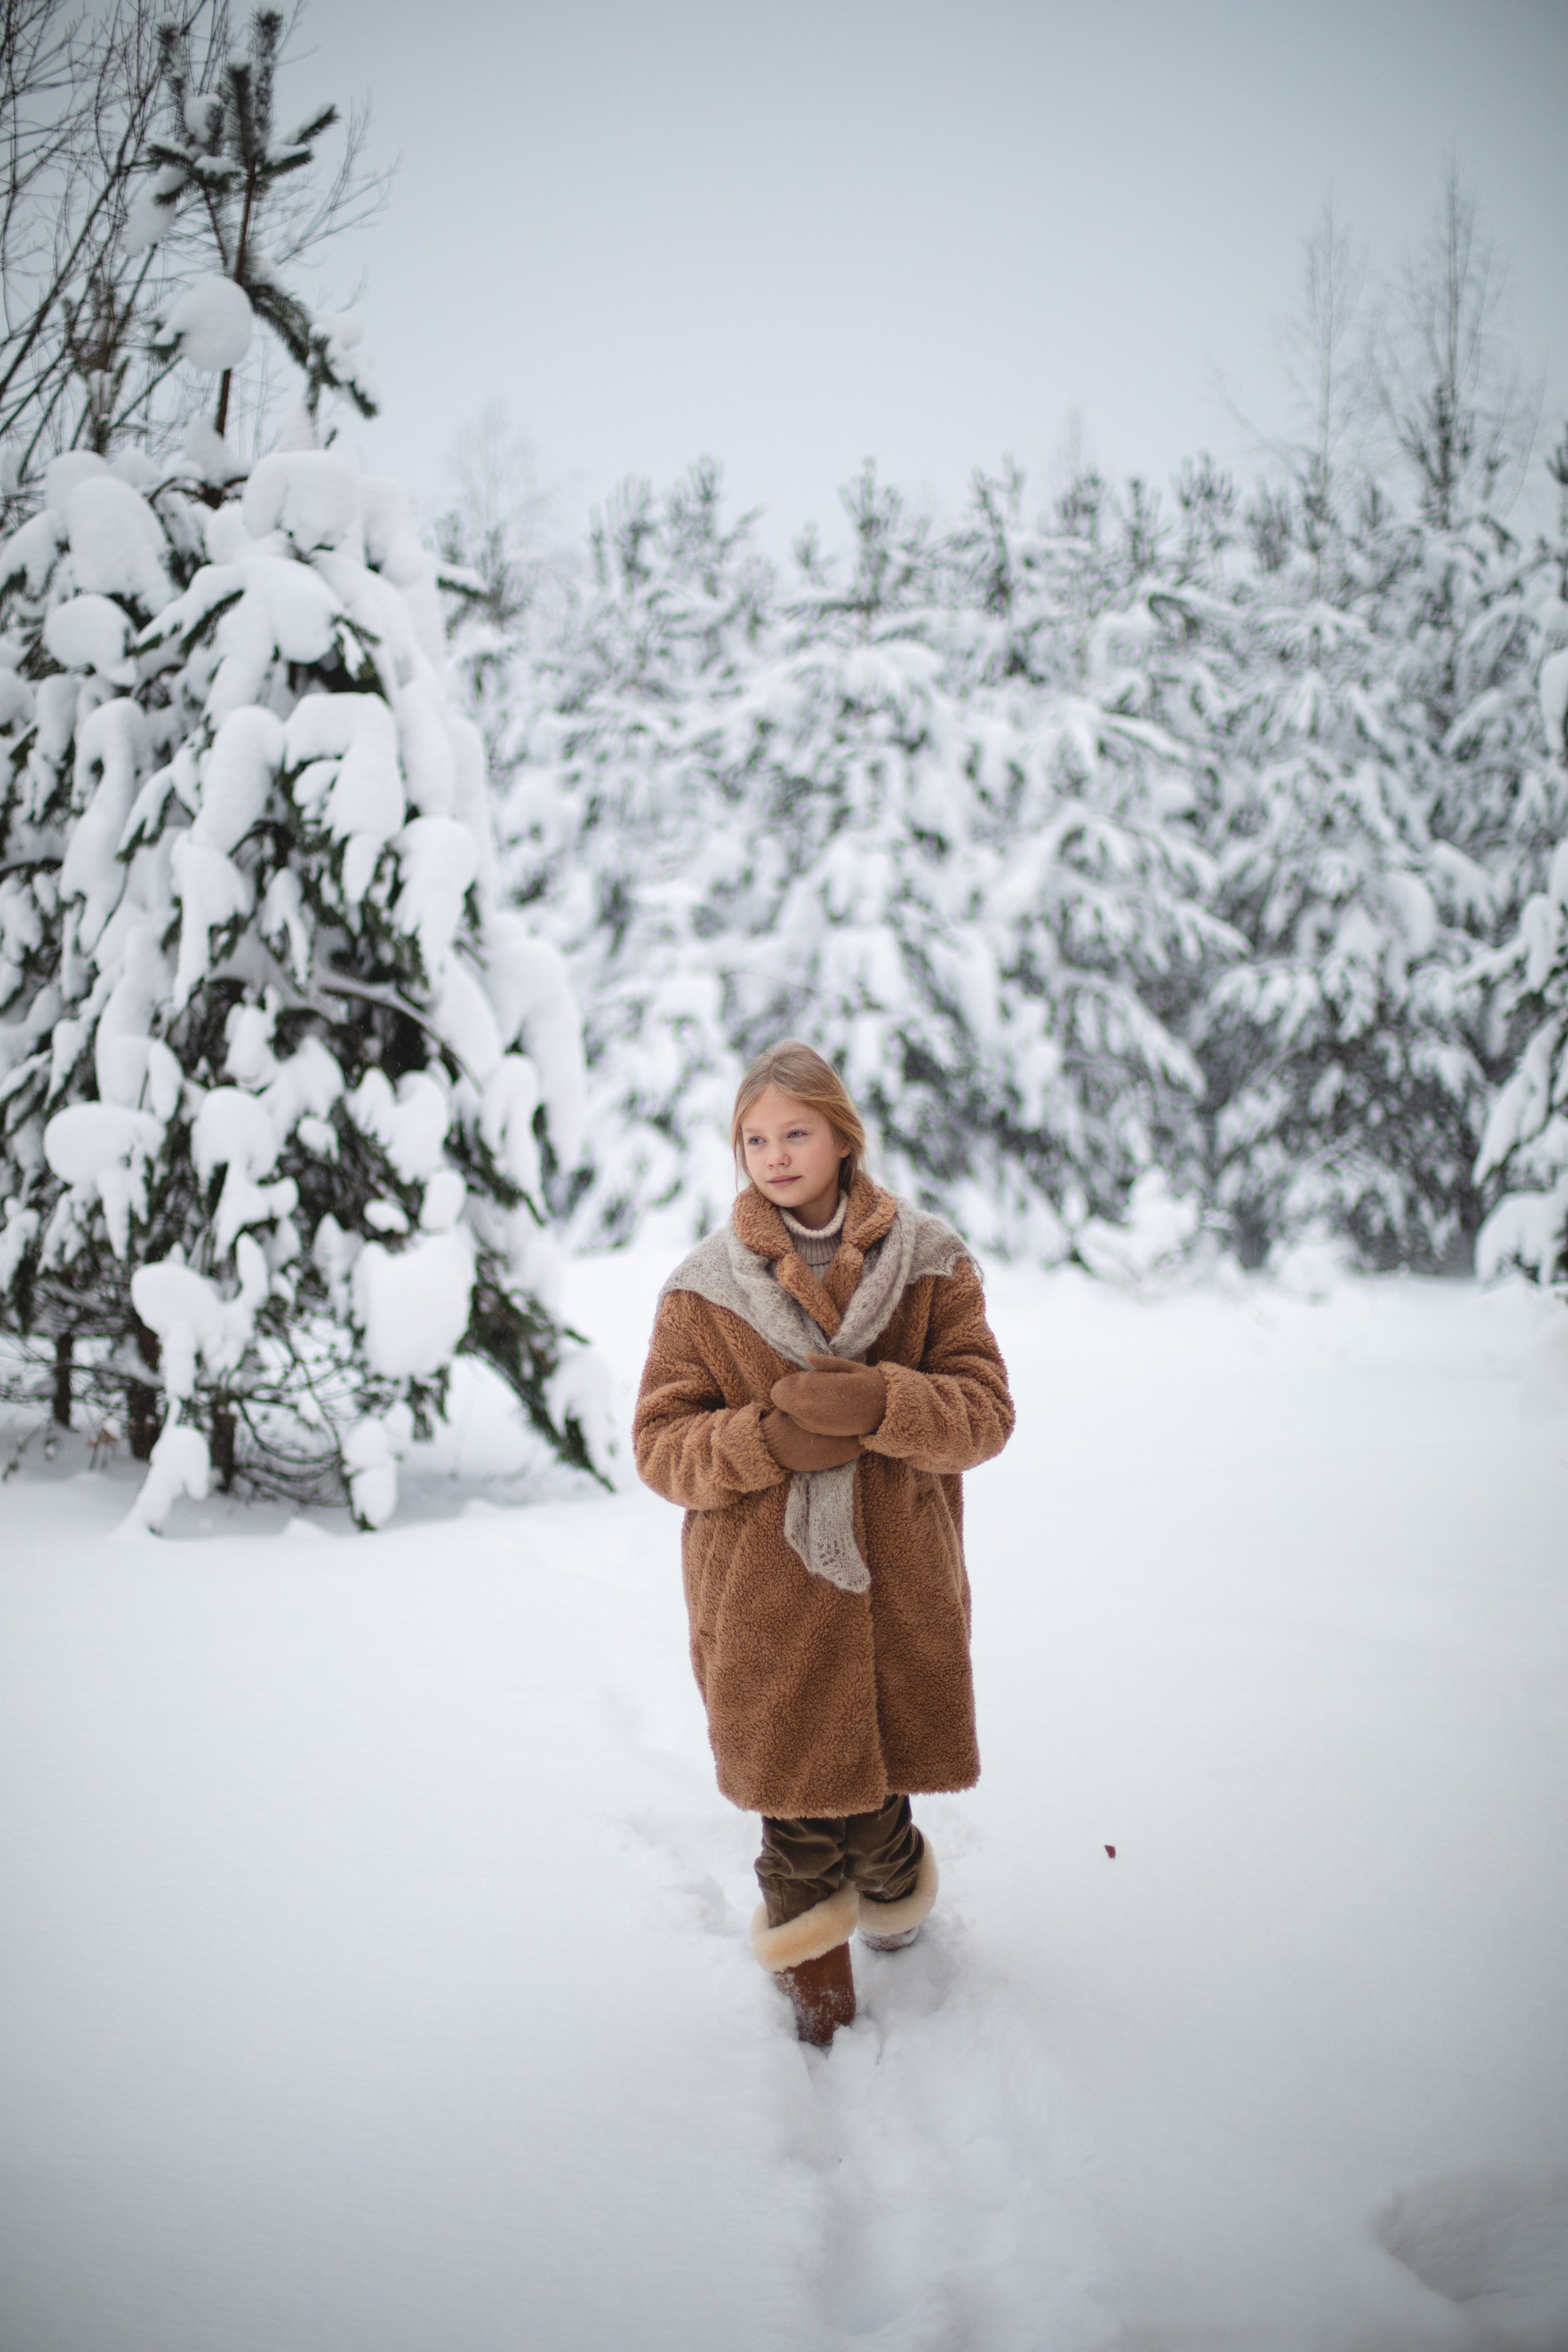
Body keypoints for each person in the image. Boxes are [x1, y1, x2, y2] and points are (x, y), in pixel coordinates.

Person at [633, 1041, 1015, 2046]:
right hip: (769, 1595)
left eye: (795, 1132)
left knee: (877, 1798)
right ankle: (820, 2020)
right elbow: (661, 1449)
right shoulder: (702, 1289)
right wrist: (765, 1439)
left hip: (898, 1582)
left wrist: (882, 1401)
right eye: (754, 1138)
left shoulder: (932, 1264)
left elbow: (986, 1413)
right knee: (798, 1821)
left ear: (844, 1137)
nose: (774, 1154)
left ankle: (895, 1883)